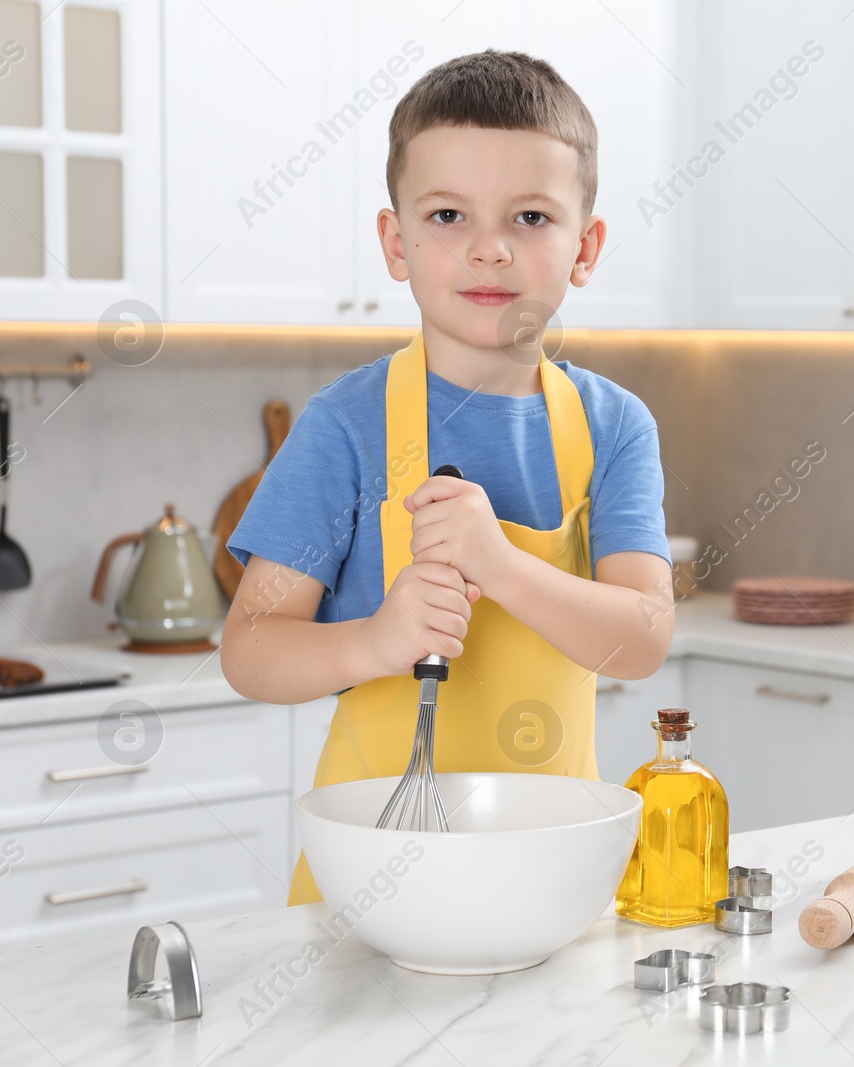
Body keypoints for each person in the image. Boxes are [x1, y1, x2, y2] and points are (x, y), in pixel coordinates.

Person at [220, 50, 674, 906]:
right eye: (448, 215)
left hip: (551, 878)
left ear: (588, 246)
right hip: (369, 886)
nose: (490, 250)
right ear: (397, 242)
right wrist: (377, 641)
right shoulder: (345, 427)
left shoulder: (614, 427)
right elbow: (249, 648)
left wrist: (499, 565)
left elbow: (643, 637)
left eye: (533, 216)